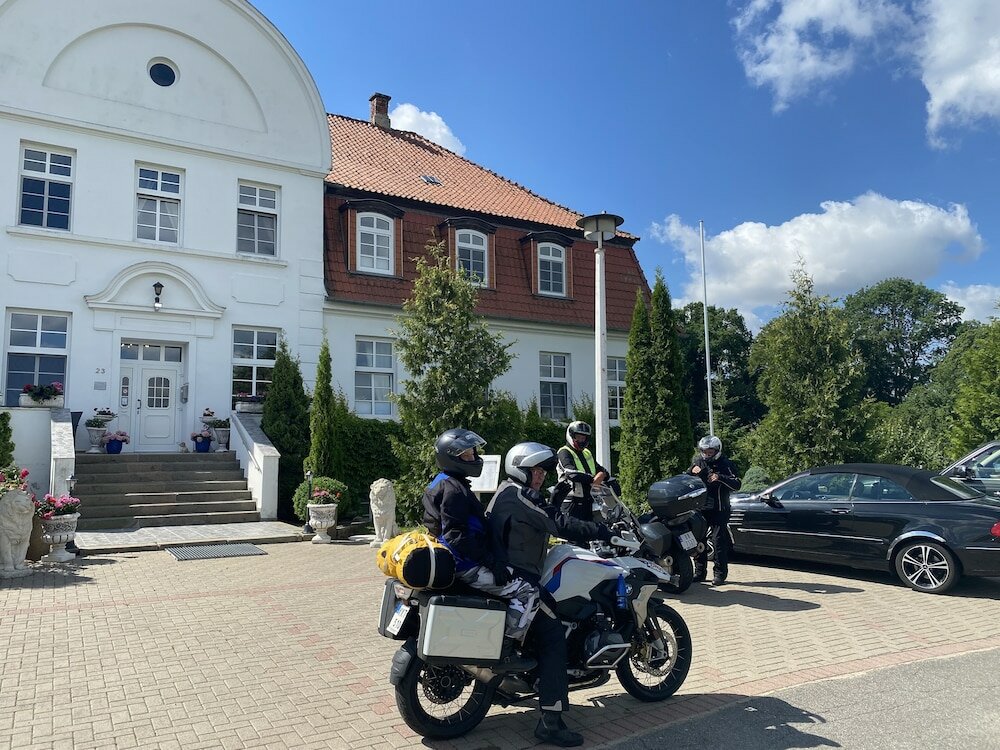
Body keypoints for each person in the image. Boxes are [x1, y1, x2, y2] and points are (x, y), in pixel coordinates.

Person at [487, 441, 613, 748]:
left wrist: (555, 494)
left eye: (543, 470)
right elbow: (558, 522)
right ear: (521, 470)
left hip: (506, 572)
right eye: (535, 470)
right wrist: (601, 531)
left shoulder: (507, 491)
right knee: (553, 634)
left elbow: (542, 512)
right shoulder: (520, 496)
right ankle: (551, 722)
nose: (541, 476)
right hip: (517, 577)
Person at [421, 427, 537, 673]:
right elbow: (456, 535)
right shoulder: (454, 490)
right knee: (527, 592)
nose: (474, 457)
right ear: (451, 457)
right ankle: (506, 651)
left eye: (473, 452)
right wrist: (491, 563)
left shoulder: (441, 482)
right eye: (467, 454)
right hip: (467, 565)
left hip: (457, 560)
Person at [688, 435, 741, 586]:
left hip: (719, 509)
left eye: (710, 451)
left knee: (718, 542)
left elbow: (737, 483)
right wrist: (692, 470)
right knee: (699, 542)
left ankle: (719, 574)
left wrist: (720, 478)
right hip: (700, 508)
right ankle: (699, 572)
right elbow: (686, 477)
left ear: (717, 450)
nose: (707, 454)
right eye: (705, 451)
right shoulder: (698, 462)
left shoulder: (726, 463)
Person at [555, 421, 609, 522]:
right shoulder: (564, 452)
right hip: (571, 502)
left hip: (588, 500)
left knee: (590, 533)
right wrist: (594, 479)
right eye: (578, 437)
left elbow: (603, 471)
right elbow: (572, 474)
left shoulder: (587, 453)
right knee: (573, 535)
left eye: (583, 438)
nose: (581, 440)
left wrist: (602, 474)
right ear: (571, 435)